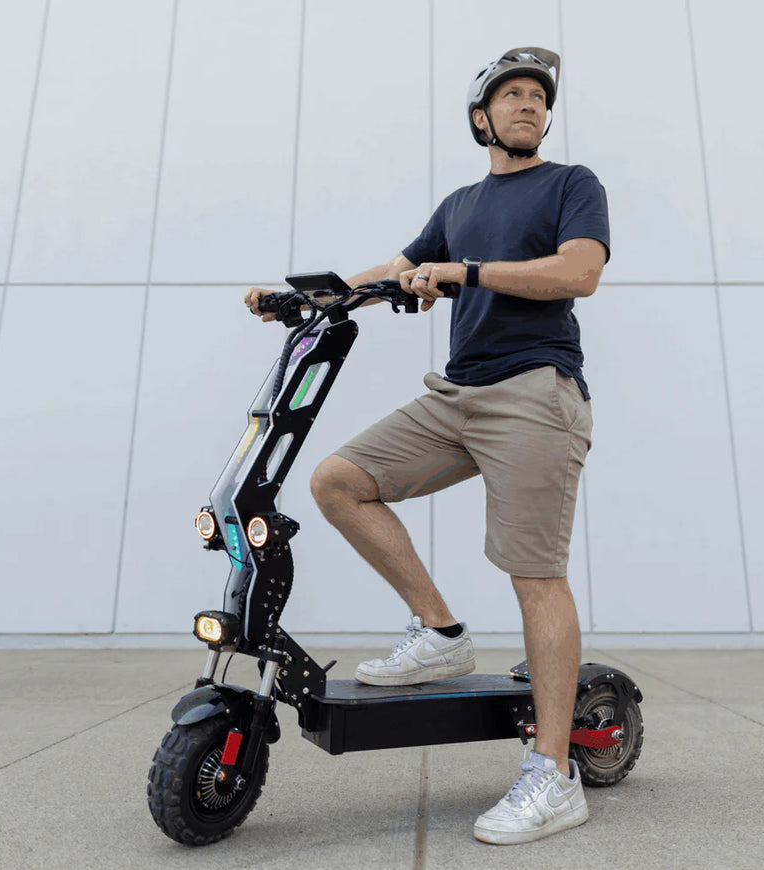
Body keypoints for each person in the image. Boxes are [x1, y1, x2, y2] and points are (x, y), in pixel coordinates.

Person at [244, 46, 609, 846]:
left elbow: (578, 274)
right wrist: (304, 296)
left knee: (534, 575)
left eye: (535, 98)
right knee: (340, 480)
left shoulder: (570, 185)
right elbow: (397, 271)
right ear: (481, 118)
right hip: (459, 395)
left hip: (534, 392)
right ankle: (440, 633)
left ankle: (553, 773)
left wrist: (466, 271)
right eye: (509, 96)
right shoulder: (460, 201)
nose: (525, 106)